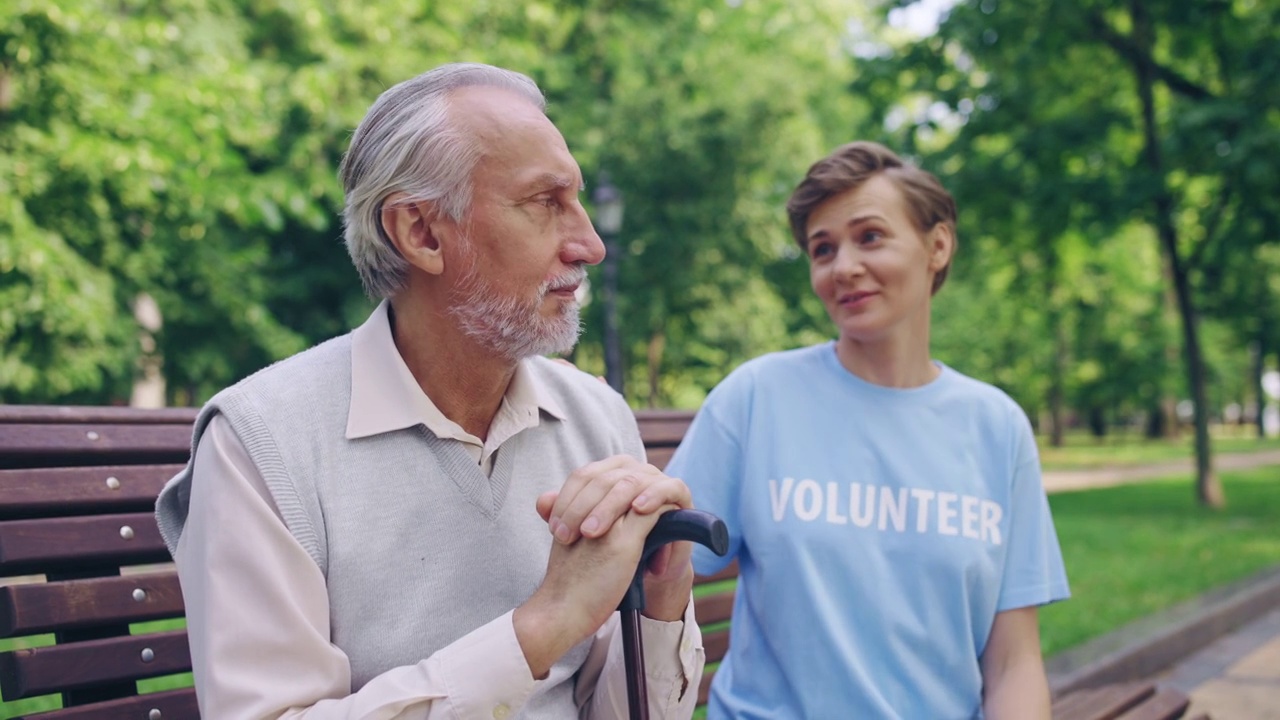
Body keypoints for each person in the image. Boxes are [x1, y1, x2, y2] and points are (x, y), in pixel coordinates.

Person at [155, 62, 704, 719]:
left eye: (579, 201)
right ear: (420, 233)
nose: (588, 244)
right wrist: (544, 625)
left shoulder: (596, 417)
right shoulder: (262, 443)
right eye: (545, 203)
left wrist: (661, 594)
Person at [664, 141, 1070, 718]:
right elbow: (661, 576)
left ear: (938, 245)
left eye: (870, 237)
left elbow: (1013, 663)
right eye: (822, 249)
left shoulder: (997, 427)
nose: (843, 267)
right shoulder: (756, 398)